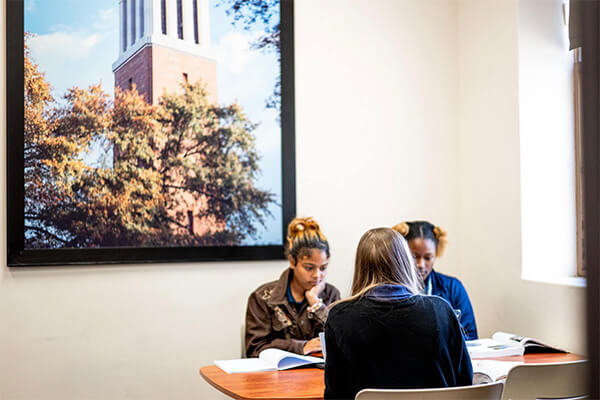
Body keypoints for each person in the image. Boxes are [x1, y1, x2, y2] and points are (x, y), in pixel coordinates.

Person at [324, 228, 472, 399]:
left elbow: (335, 394)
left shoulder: (340, 317)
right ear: (406, 262)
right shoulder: (441, 311)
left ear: (361, 267)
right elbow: (464, 383)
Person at [245, 217, 341, 358]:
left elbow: (341, 342)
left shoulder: (331, 294)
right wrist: (301, 347)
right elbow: (255, 349)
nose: (317, 275)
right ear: (292, 261)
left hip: (318, 376)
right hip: (275, 377)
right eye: (309, 268)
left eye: (323, 268)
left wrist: (317, 305)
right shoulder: (263, 298)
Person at [393, 220, 478, 340]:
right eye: (413, 257)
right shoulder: (389, 289)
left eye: (428, 258)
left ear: (436, 254)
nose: (421, 264)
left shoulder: (453, 287)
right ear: (402, 254)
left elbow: (471, 337)